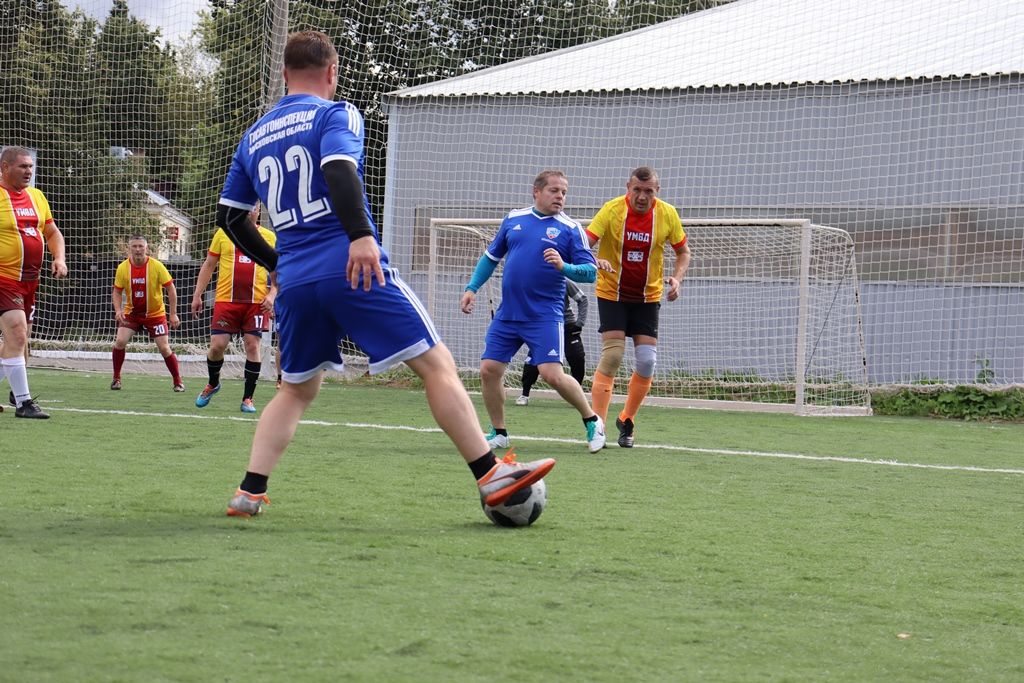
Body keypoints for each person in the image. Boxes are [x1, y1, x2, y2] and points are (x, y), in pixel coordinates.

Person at [216, 30, 553, 517]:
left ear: (285, 74)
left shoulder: (253, 137)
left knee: (295, 390)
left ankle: (249, 491)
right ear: (332, 72)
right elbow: (337, 170)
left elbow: (230, 218)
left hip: (296, 283)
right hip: (352, 265)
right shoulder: (336, 113)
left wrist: (277, 264)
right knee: (436, 364)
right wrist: (359, 236)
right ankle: (490, 473)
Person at [460, 169, 607, 454]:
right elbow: (490, 258)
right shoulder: (514, 219)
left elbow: (590, 272)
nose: (560, 196)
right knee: (489, 370)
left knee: (551, 374)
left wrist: (564, 266)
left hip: (544, 315)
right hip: (508, 313)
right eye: (554, 190)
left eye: (564, 192)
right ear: (536, 191)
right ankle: (499, 433)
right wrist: (472, 288)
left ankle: (592, 420)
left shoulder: (570, 229)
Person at [586, 166, 690, 447]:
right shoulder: (611, 210)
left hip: (648, 297)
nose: (642, 197)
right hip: (612, 293)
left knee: (647, 361)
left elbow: (683, 252)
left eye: (649, 191)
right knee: (612, 356)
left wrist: (677, 279)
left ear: (657, 191)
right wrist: (595, 259)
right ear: (628, 187)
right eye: (637, 190)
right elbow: (583, 244)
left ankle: (627, 419)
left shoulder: (667, 214)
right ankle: (597, 427)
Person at [0, 146, 68, 419]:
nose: (29, 171)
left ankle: (20, 396)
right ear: (5, 167)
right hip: (4, 279)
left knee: (19, 343)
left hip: (30, 282)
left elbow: (52, 232)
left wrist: (59, 258)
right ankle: (24, 403)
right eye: (23, 166)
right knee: (17, 335)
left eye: (30, 166)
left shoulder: (36, 196)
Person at [191, 205, 277, 413]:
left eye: (253, 207)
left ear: (258, 210)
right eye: (246, 206)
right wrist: (197, 294)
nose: (249, 210)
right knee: (217, 346)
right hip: (226, 301)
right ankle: (213, 383)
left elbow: (279, 270)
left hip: (256, 302)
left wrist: (272, 295)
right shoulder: (223, 233)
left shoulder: (269, 237)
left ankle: (247, 399)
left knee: (253, 346)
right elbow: (209, 265)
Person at [110, 235, 184, 392]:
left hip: (155, 314)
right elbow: (117, 292)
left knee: (164, 348)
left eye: (141, 246)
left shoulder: (157, 266)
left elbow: (171, 289)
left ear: (146, 248)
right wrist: (118, 310)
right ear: (129, 248)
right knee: (120, 341)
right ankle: (116, 379)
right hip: (132, 313)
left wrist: (173, 314)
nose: (138, 249)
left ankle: (178, 381)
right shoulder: (122, 268)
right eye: (134, 246)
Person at [515, 279, 588, 406]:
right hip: (545, 327)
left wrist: (579, 323)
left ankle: (577, 394)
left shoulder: (564, 281)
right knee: (534, 360)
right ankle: (524, 394)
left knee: (577, 357)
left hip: (567, 326)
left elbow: (583, 299)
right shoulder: (533, 282)